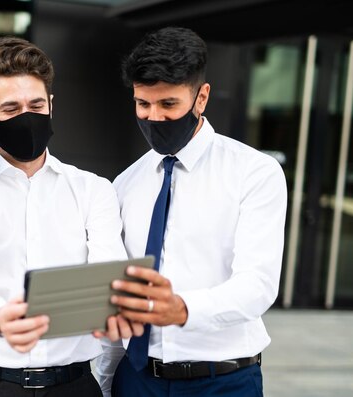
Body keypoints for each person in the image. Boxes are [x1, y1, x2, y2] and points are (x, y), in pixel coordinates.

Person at [0, 36, 140, 397]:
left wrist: (113, 302)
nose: (26, 116)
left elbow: (108, 264)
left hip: (74, 385)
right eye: (11, 109)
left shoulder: (93, 190)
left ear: (51, 106)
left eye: (36, 104)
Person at [100, 26, 288, 396]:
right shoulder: (124, 183)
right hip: (137, 380)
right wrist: (106, 383)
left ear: (201, 98)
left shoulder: (254, 172)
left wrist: (183, 309)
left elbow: (258, 285)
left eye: (168, 104)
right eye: (143, 104)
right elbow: (117, 293)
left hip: (224, 381)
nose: (153, 117)